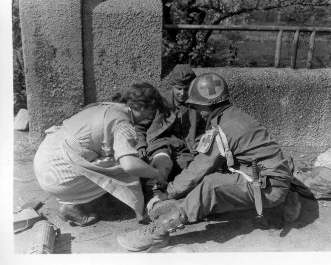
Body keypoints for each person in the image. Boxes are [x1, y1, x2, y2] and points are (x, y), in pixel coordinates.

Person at [117, 73, 301, 251]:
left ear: (208, 105)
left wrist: (169, 192)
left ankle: (159, 230)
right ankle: (288, 198)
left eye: (197, 106)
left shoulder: (223, 129)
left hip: (269, 186)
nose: (197, 111)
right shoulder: (233, 115)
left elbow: (200, 168)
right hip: (271, 175)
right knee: (215, 178)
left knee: (211, 185)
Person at [33, 82, 169, 226]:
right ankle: (70, 205)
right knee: (126, 167)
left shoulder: (109, 106)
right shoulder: (122, 124)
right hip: (57, 174)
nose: (152, 116)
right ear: (141, 107)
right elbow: (129, 165)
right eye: (151, 111)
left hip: (44, 160)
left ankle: (70, 199)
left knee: (116, 156)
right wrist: (156, 173)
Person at [135, 64, 205, 202]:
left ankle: (172, 195)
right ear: (172, 85)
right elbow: (140, 126)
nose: (182, 93)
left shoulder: (198, 105)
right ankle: (153, 193)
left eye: (186, 89)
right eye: (178, 89)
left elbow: (203, 129)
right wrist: (141, 143)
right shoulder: (160, 102)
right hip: (161, 143)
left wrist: (199, 142)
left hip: (184, 148)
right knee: (163, 162)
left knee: (188, 167)